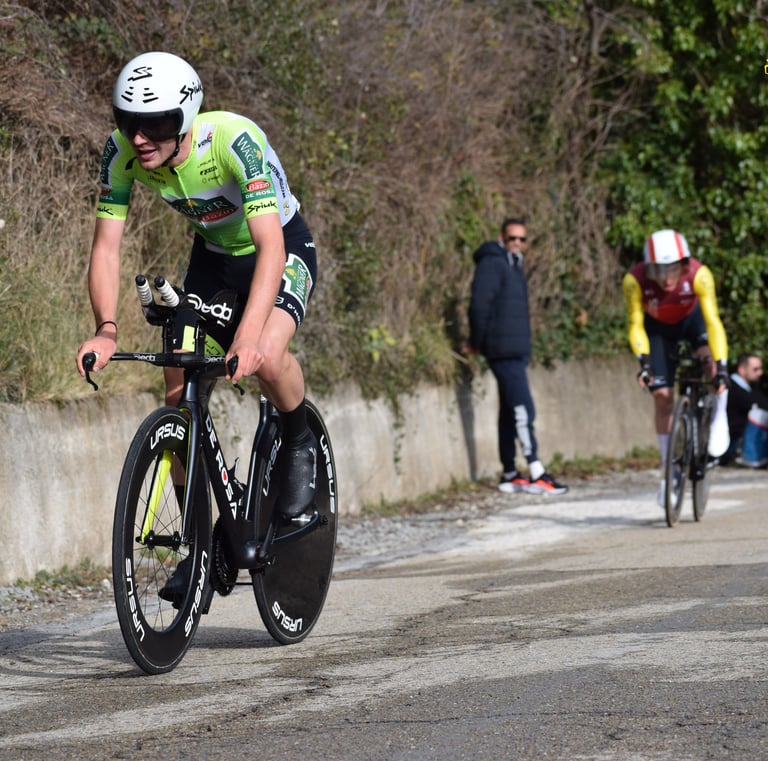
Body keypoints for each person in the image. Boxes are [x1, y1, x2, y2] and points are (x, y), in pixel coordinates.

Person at [75, 52, 318, 524]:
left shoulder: (234, 140)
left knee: (266, 353)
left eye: (157, 124)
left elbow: (270, 247)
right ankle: (199, 539)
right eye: (128, 123)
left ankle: (298, 435)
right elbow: (106, 248)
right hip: (213, 259)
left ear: (185, 118)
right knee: (178, 386)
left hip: (280, 248)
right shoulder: (121, 151)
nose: (140, 139)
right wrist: (106, 328)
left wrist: (246, 337)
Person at [622, 228, 730, 506]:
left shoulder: (699, 275)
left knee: (711, 367)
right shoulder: (634, 281)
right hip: (657, 329)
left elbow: (714, 322)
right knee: (662, 397)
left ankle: (719, 416)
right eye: (658, 271)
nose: (666, 278)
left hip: (692, 322)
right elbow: (635, 325)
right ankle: (670, 470)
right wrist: (644, 364)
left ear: (684, 265)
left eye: (672, 270)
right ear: (649, 269)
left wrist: (722, 368)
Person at [467, 217, 568, 495]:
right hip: (502, 350)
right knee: (524, 409)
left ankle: (510, 473)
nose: (517, 244)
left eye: (522, 239)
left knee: (510, 412)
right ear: (502, 238)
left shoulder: (515, 266)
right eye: (513, 238)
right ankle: (536, 470)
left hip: (515, 350)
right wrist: (477, 342)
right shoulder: (493, 263)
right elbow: (479, 305)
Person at [722, 352, 767, 464]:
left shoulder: (747, 389)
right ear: (742, 369)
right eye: (755, 369)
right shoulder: (733, 389)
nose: (760, 373)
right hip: (731, 444)